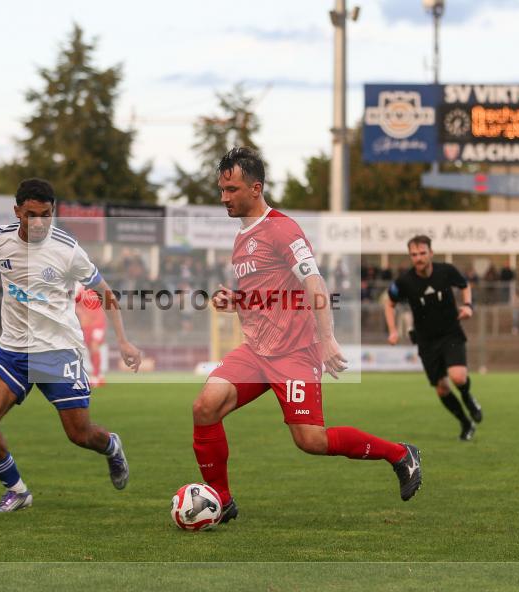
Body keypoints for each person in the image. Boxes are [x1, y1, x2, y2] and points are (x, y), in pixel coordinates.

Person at [192, 147, 422, 525]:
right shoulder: (241, 237)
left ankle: (400, 454)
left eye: (231, 189)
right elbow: (267, 294)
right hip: (257, 351)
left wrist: (327, 337)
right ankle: (222, 499)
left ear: (255, 188)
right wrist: (234, 299)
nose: (223, 198)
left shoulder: (283, 229)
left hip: (294, 352)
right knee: (204, 407)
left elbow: (314, 281)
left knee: (310, 441)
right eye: (221, 189)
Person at [0, 178, 143, 513]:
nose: (40, 222)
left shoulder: (68, 250)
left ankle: (112, 446)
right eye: (31, 215)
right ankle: (17, 491)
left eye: (46, 214)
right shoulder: (1, 237)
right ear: (18, 212)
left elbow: (107, 294)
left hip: (58, 351)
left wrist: (125, 342)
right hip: (14, 350)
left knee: (80, 434)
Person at [384, 235, 482, 441]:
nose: (418, 258)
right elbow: (389, 303)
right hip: (426, 340)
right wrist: (392, 330)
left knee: (458, 377)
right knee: (442, 388)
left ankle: (468, 397)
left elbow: (465, 285)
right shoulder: (404, 281)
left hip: (450, 332)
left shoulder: (446, 271)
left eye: (422, 253)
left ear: (431, 253)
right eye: (413, 254)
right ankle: (466, 423)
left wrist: (468, 305)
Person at [75, 284, 108, 387]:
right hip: (87, 326)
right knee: (90, 349)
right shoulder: (79, 291)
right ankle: (99, 375)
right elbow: (74, 306)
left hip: (98, 324)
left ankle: (96, 374)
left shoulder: (98, 288)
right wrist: (80, 313)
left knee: (94, 346)